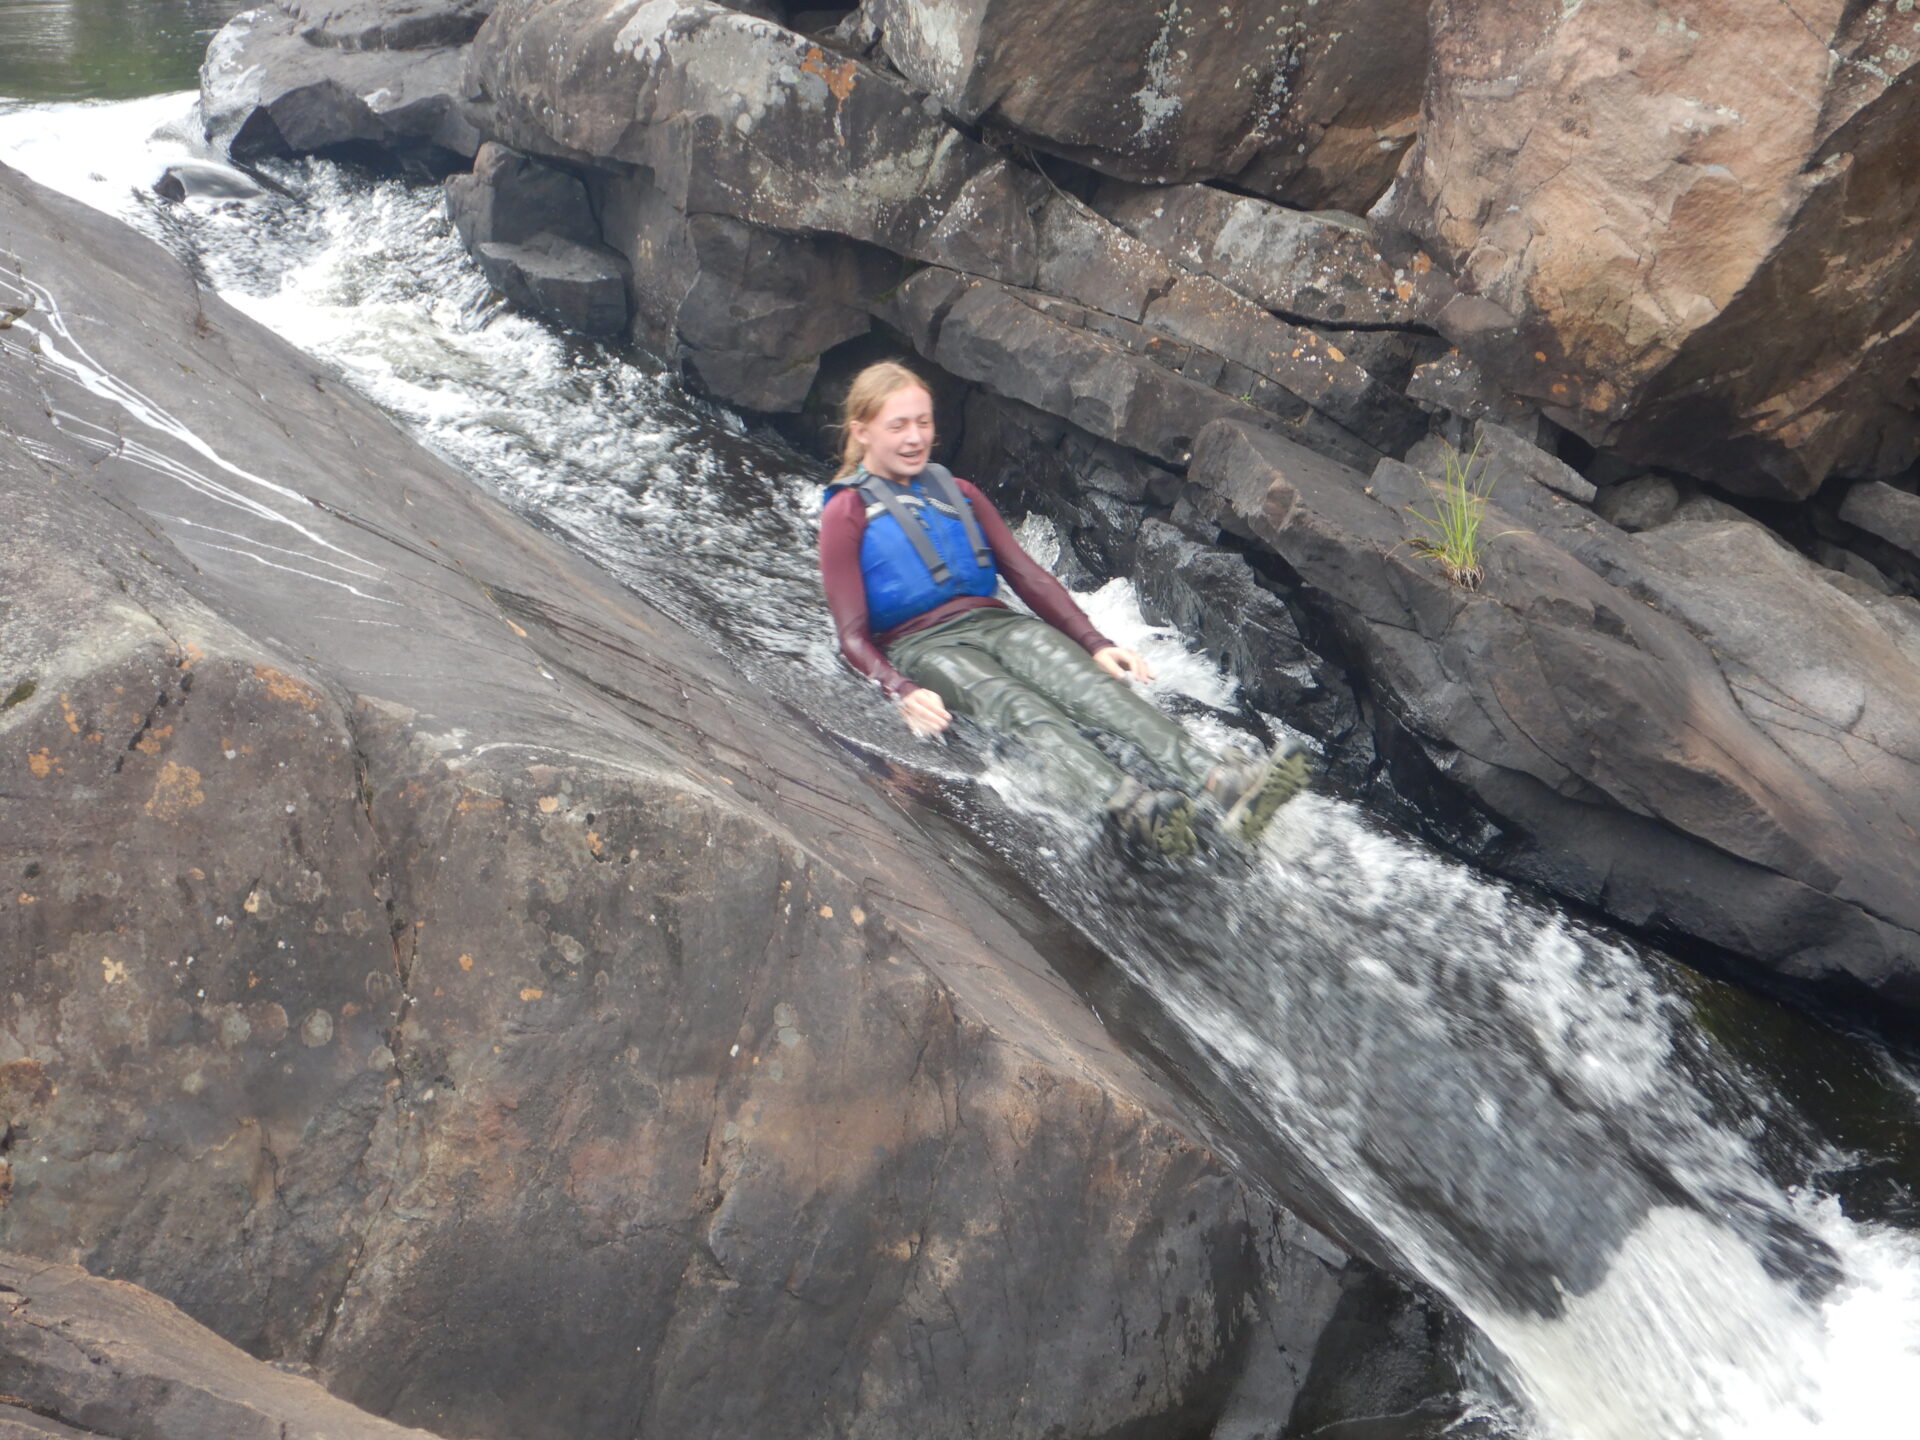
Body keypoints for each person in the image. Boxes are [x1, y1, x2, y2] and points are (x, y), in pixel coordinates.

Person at [816, 361, 1308, 856]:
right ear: (862, 431)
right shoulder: (845, 512)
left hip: (996, 623)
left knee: (1094, 688)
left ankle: (1220, 781)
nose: (914, 436)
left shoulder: (958, 492)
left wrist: (1094, 642)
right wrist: (901, 689)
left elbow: (1028, 576)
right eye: (897, 425)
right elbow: (852, 636)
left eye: (922, 422)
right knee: (1018, 704)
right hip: (920, 646)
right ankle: (1135, 808)